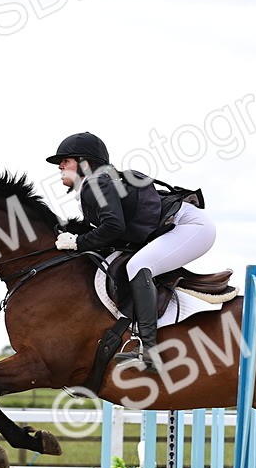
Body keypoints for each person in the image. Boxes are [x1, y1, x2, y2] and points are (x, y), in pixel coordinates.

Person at [47, 132, 216, 371]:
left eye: (66, 160)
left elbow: (113, 227)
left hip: (191, 227)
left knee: (138, 265)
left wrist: (78, 242)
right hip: (180, 226)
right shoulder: (98, 183)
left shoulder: (97, 183)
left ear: (84, 163)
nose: (60, 166)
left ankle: (149, 350)